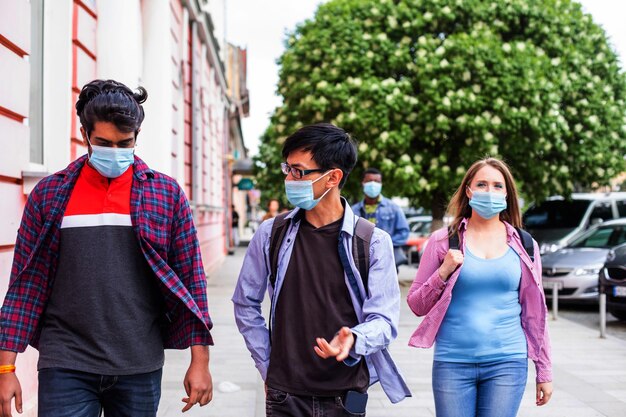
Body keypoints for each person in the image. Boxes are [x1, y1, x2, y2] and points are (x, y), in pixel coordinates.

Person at [0, 79, 213, 417]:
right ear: (85, 135)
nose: (115, 152)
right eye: (103, 143)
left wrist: (200, 362)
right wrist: (6, 369)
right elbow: (27, 284)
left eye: (124, 143)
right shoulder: (50, 195)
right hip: (65, 361)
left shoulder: (166, 195)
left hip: (139, 363)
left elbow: (191, 280)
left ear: (136, 137)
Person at [232, 123, 410, 416]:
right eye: (286, 169)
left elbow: (384, 320)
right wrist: (267, 364)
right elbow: (244, 303)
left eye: (298, 171)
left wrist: (355, 338)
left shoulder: (373, 242)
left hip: (347, 394)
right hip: (285, 395)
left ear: (333, 177)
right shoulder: (270, 234)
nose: (289, 178)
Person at [406, 157, 553, 417]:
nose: (489, 191)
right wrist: (443, 272)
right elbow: (416, 305)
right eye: (482, 184)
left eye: (497, 186)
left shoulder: (525, 245)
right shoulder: (443, 240)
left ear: (507, 194)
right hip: (453, 362)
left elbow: (535, 313)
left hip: (507, 361)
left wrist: (544, 371)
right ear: (469, 190)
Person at [351, 168, 409, 267]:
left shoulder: (393, 208)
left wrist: (382, 244)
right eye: (369, 181)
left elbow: (404, 233)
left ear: (381, 184)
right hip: (361, 262)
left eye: (377, 181)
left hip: (387, 261)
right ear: (363, 183)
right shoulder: (353, 211)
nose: (373, 184)